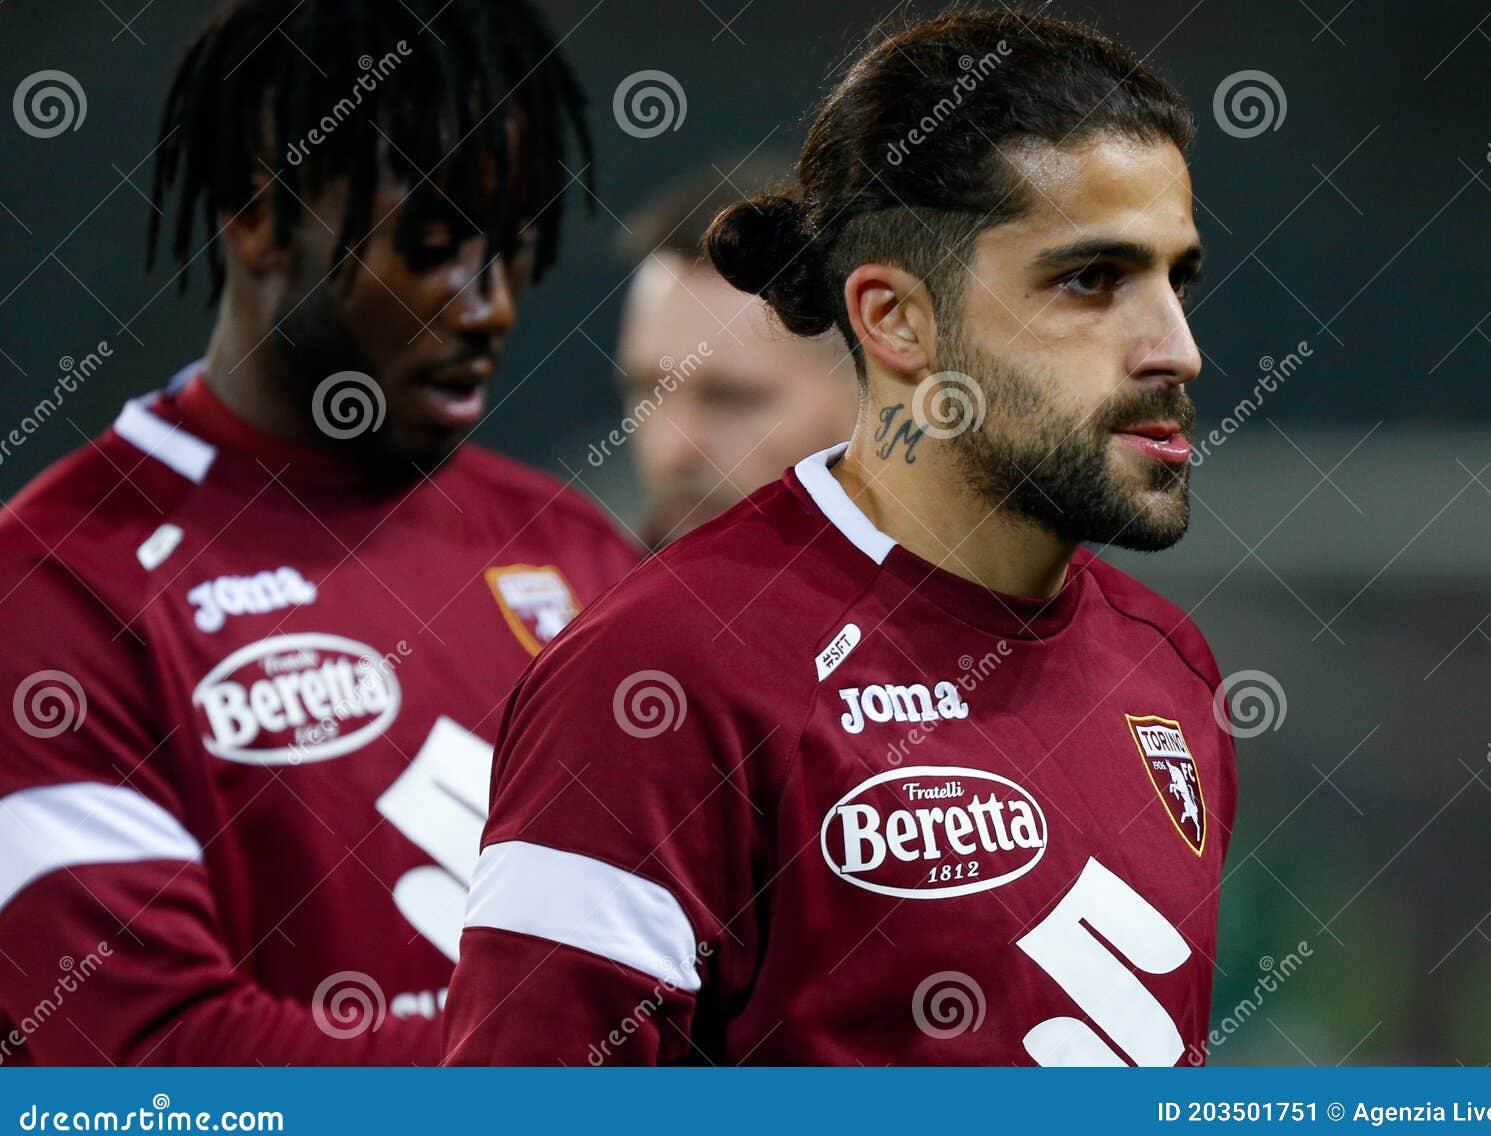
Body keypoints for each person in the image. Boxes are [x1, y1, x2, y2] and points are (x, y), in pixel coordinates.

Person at [445, 10, 1235, 1066]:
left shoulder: (1167, 670)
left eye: (1173, 278)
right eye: (1089, 280)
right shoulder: (659, 677)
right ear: (896, 320)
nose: (1172, 348)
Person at [0, 0, 635, 1065]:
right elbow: (142, 1066)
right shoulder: (54, 586)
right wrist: (554, 1072)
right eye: (433, 246)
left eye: (513, 249)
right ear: (259, 216)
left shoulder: (572, 548)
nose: (489, 307)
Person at [613, 158, 857, 550]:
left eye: (731, 398)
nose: (671, 449)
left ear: (868, 397)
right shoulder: (588, 603)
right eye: (647, 391)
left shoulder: (965, 602)